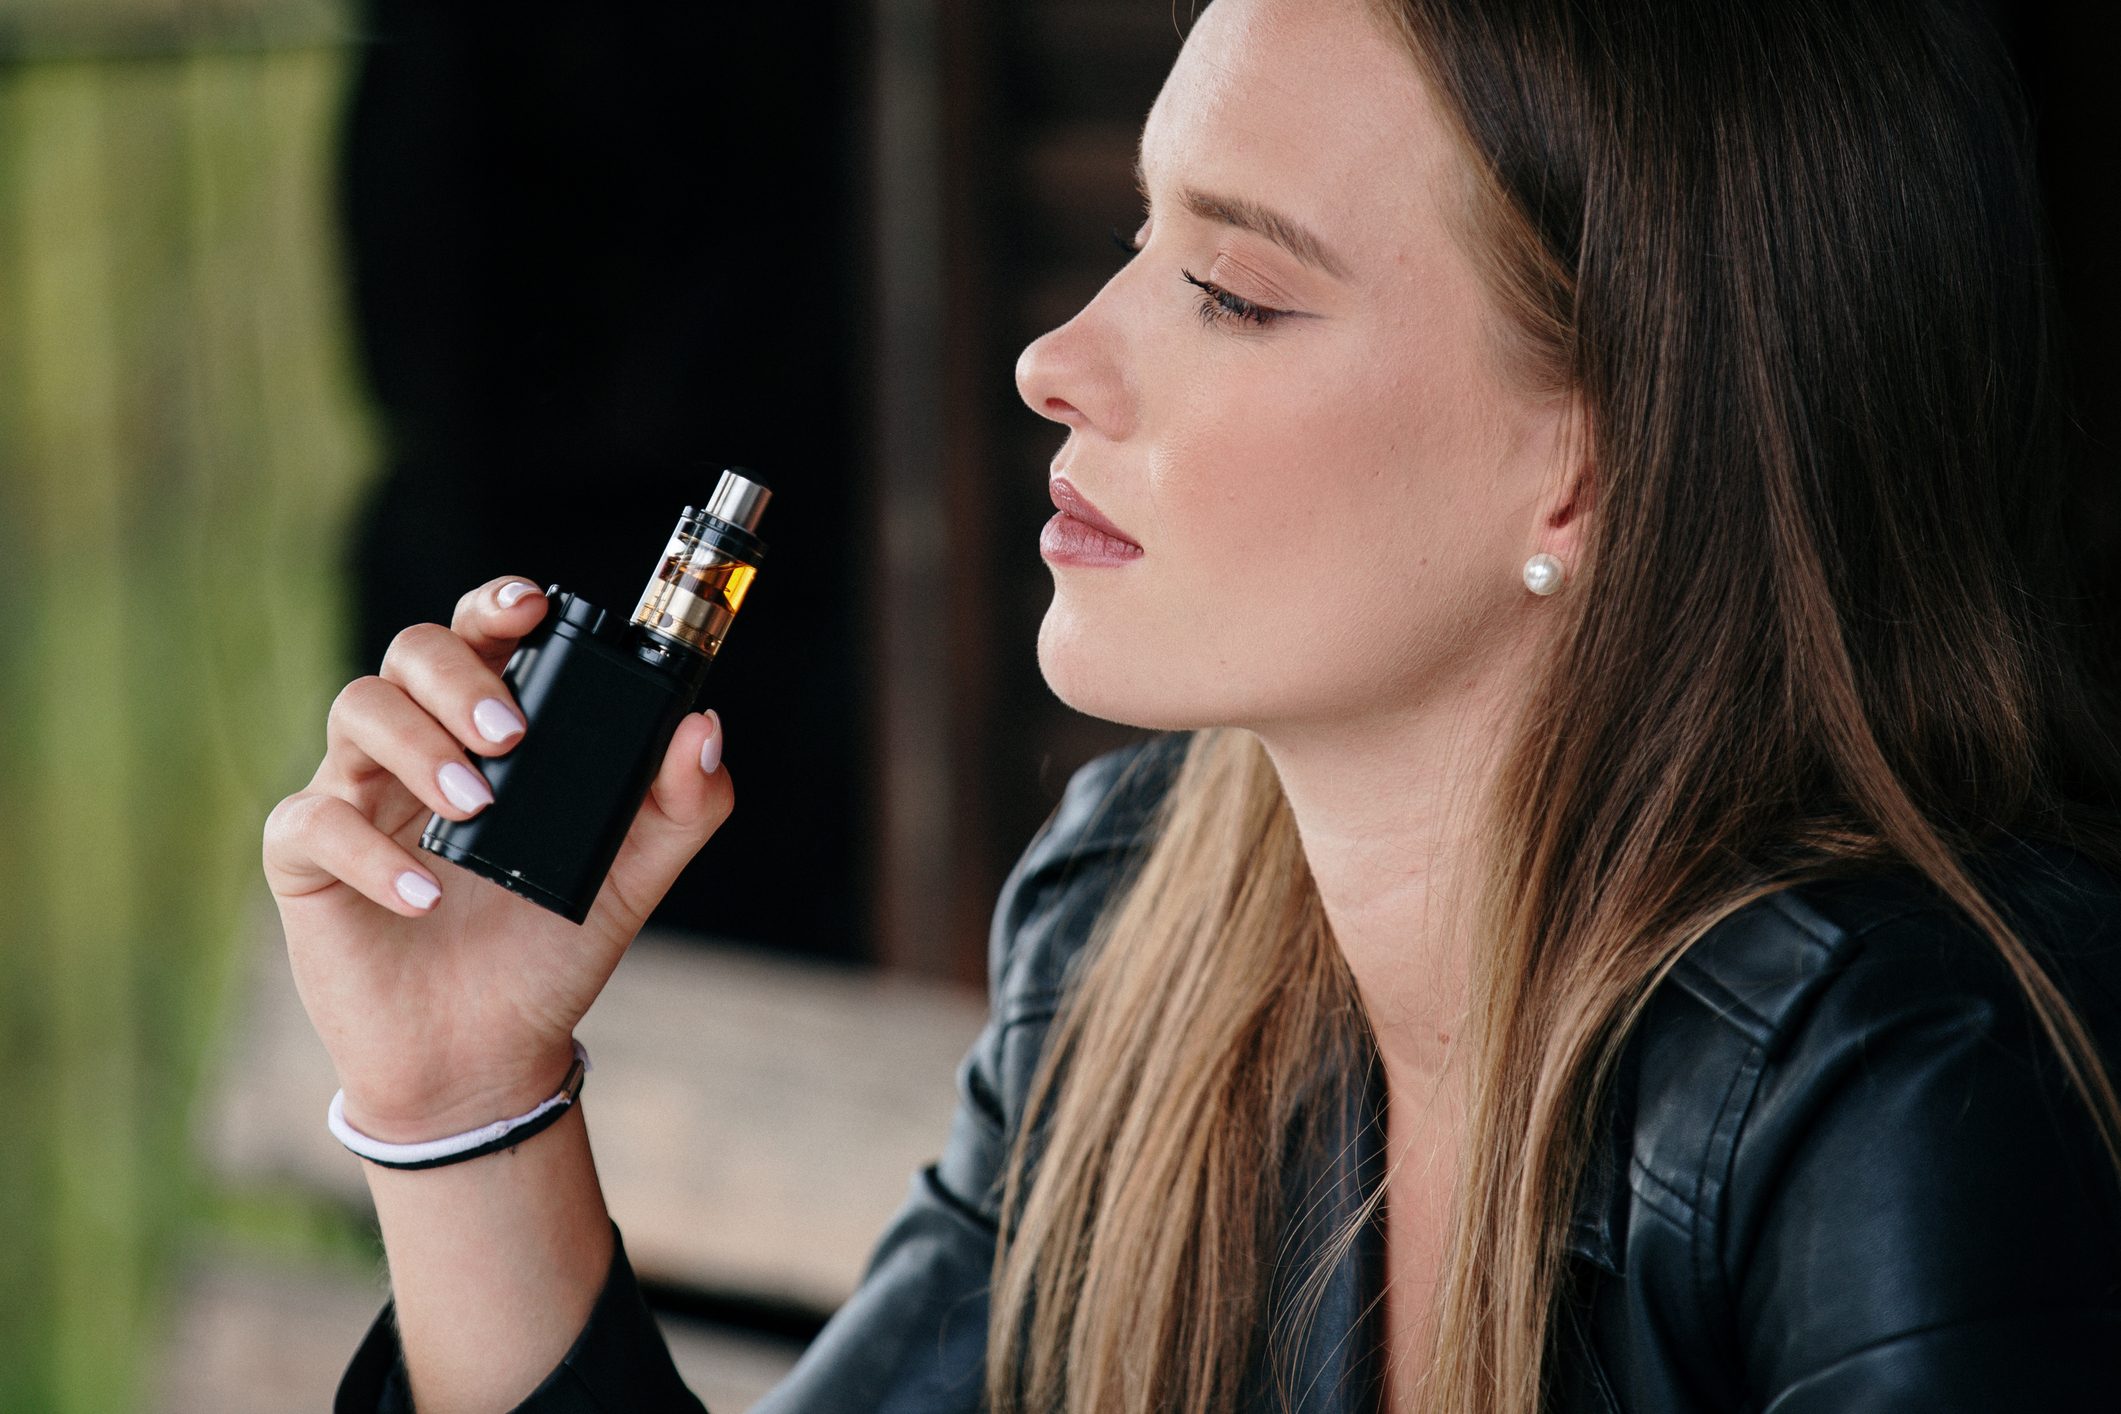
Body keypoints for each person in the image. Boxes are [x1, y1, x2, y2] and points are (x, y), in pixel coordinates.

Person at [262, 0, 2121, 1409]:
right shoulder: (1140, 930)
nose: (1056, 357)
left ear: (1587, 464)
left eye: (1231, 289)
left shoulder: (1908, 1089)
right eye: (1145, 238)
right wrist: (463, 1099)